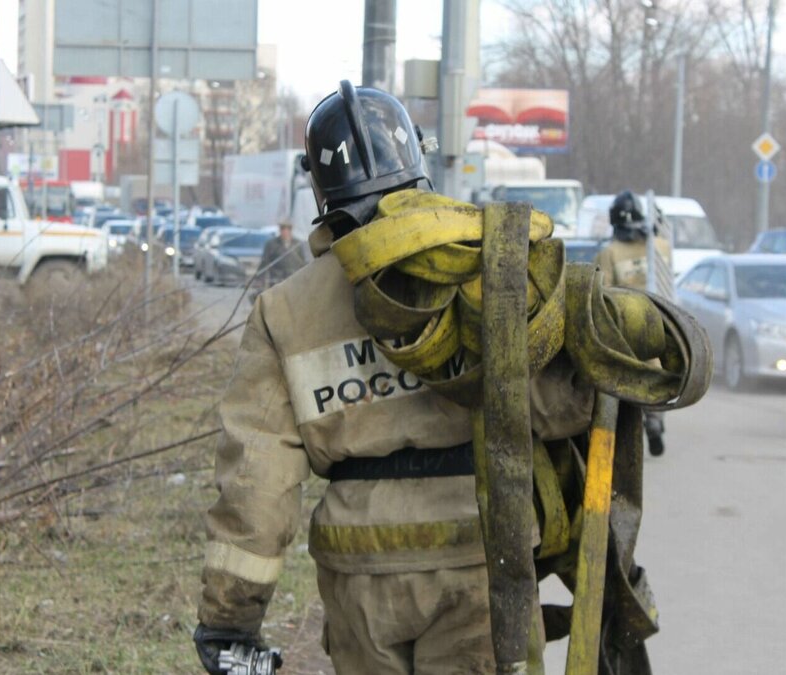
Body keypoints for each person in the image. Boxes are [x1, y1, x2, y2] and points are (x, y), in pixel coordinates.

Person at [192, 81, 597, 675]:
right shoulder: (488, 266)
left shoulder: (285, 310)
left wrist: (230, 619)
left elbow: (257, 482)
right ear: (417, 160)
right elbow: (557, 407)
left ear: (319, 187)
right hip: (483, 549)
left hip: (360, 570)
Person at [597, 191, 671, 457]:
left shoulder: (609, 253)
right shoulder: (660, 246)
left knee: (625, 374)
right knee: (656, 370)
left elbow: (601, 290)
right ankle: (654, 420)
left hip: (626, 323)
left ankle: (625, 428)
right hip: (661, 319)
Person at [258, 219, 307, 287]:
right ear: (280, 230)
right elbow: (264, 263)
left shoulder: (297, 244)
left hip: (293, 280)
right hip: (277, 281)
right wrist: (260, 279)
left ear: (290, 230)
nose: (285, 231)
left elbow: (303, 263)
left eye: (288, 229)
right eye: (283, 229)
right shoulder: (272, 244)